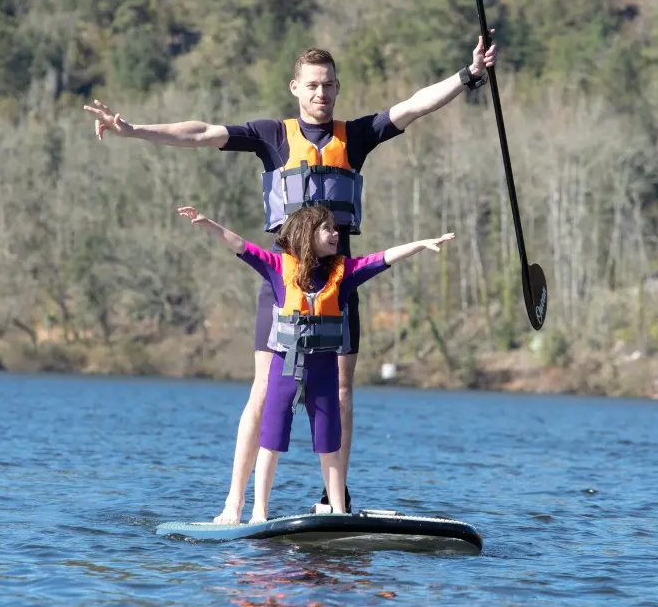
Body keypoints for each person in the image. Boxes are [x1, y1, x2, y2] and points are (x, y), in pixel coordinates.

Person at [84, 35, 496, 523]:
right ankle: (234, 506)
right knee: (264, 388)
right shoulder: (271, 136)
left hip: (339, 283)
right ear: (295, 89)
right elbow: (199, 133)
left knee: (341, 390)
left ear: (337, 88)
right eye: (313, 86)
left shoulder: (356, 135)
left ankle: (335, 503)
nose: (322, 94)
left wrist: (467, 76)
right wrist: (135, 130)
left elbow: (413, 107)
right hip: (283, 282)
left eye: (329, 85)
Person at [176, 203, 454, 522]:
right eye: (327, 229)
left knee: (329, 445)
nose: (336, 233)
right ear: (307, 235)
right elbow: (240, 245)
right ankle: (258, 513)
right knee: (271, 441)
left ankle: (337, 512)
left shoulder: (343, 273)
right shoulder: (277, 266)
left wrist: (420, 244)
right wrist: (209, 224)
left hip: (323, 374)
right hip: (284, 370)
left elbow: (382, 258)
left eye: (335, 228)